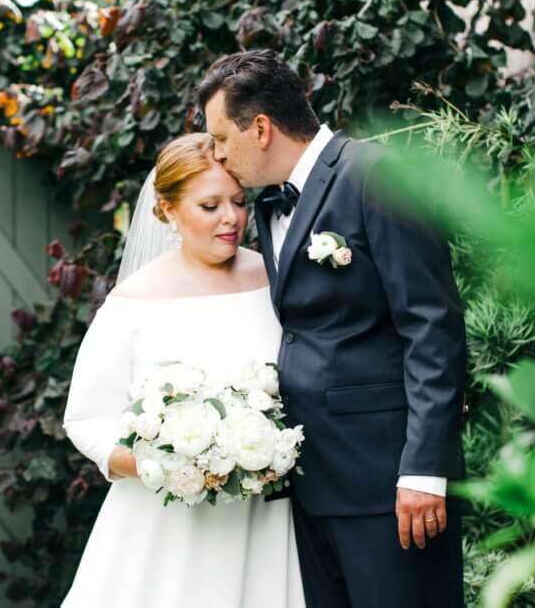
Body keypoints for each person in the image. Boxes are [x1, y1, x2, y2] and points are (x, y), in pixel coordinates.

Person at [196, 49, 468, 608]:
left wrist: (423, 471)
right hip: (312, 484)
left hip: (388, 487)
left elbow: (432, 328)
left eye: (222, 139)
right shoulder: (268, 207)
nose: (218, 156)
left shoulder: (378, 176)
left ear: (262, 128)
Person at [61, 133, 305, 607]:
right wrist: (166, 464)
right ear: (169, 210)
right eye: (210, 205)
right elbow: (85, 419)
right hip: (166, 525)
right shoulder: (133, 302)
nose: (232, 218)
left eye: (237, 201)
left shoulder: (274, 281)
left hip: (265, 520)